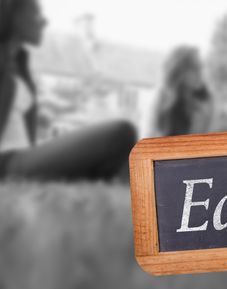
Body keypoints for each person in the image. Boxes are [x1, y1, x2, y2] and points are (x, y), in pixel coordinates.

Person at [0, 0, 136, 181]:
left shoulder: (19, 62)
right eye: (35, 13)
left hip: (22, 157)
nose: (44, 21)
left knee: (115, 159)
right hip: (7, 164)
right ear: (14, 17)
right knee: (121, 132)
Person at [143, 46, 213, 138]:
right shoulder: (161, 103)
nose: (200, 72)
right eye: (195, 68)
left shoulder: (205, 102)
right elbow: (150, 143)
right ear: (180, 71)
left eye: (201, 67)